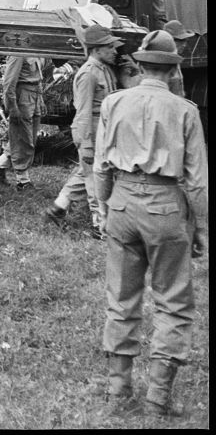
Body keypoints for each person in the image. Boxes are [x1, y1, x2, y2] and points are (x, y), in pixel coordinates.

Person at [94, 29, 208, 417]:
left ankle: (117, 391)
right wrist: (202, 228)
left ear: (140, 65)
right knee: (173, 301)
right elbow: (196, 180)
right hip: (165, 206)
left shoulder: (113, 102)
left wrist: (106, 206)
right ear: (173, 70)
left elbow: (101, 165)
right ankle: (158, 398)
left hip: (123, 202)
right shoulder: (185, 110)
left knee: (121, 298)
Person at [46, 24, 121, 239]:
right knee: (96, 178)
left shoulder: (104, 69)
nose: (114, 51)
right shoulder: (88, 74)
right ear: (97, 50)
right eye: (110, 47)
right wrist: (86, 142)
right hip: (91, 129)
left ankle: (58, 207)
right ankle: (100, 226)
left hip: (103, 129)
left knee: (86, 170)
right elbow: (83, 111)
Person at [0, 54, 48, 190]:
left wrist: (40, 99)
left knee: (29, 137)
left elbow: (38, 77)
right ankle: (22, 180)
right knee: (23, 138)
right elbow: (9, 82)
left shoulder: (36, 50)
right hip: (22, 94)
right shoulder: (18, 53)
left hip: (34, 93)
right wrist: (12, 106)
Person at [162, 21, 195, 98]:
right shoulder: (163, 61)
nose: (184, 44)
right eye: (180, 40)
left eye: (186, 41)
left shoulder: (175, 59)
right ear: (170, 40)